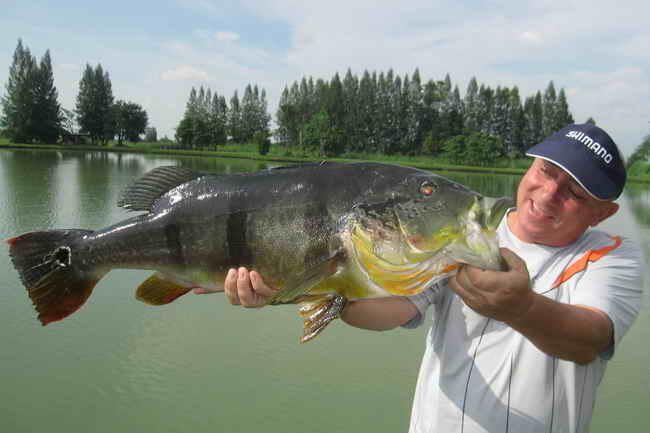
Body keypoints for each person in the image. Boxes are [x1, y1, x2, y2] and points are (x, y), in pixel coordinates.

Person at [197, 123, 644, 433]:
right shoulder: (459, 233)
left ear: (603, 213)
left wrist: (521, 308)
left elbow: (589, 340)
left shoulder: (611, 256)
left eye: (573, 192)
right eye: (547, 171)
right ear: (530, 167)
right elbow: (390, 310)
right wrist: (298, 290)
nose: (548, 194)